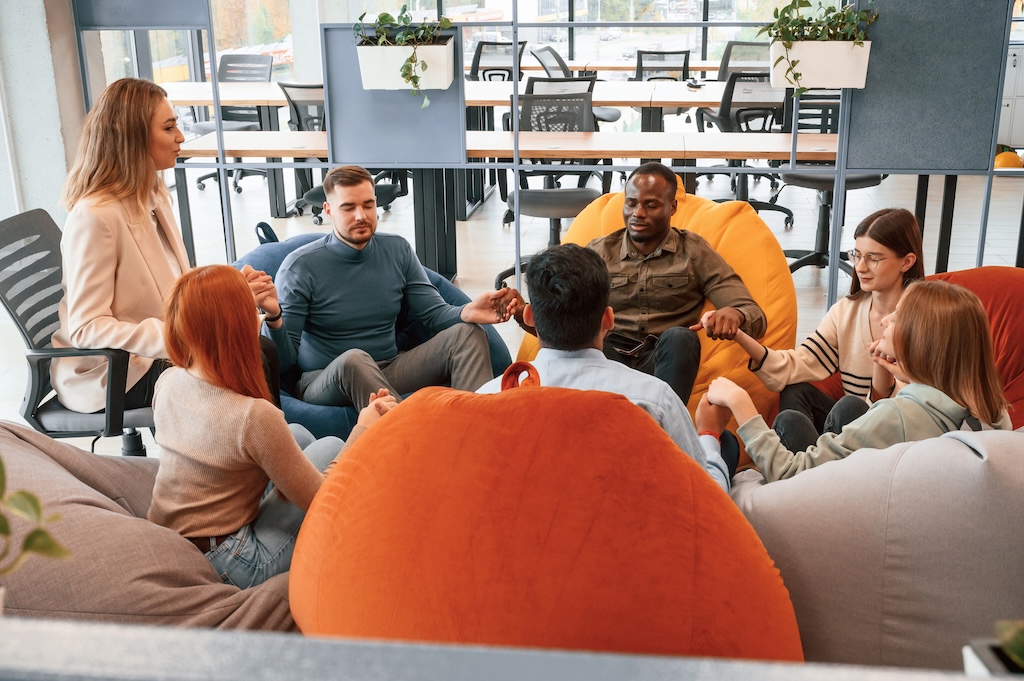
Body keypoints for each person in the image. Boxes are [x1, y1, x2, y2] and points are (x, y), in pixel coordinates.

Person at [148, 265, 397, 588]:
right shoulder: (253, 416)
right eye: (252, 313)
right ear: (238, 329)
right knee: (333, 446)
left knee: (298, 434)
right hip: (232, 561)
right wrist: (363, 429)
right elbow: (322, 498)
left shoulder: (168, 381)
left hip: (175, 536)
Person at [50, 77, 279, 414]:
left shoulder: (152, 195)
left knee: (262, 350)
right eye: (169, 128)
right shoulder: (95, 217)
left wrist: (229, 294)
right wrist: (180, 339)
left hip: (160, 351)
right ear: (134, 137)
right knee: (254, 357)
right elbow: (87, 327)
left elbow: (173, 288)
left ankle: (272, 439)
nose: (180, 137)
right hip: (118, 372)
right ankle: (258, 443)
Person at [478, 244, 734, 493]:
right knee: (727, 446)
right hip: (630, 515)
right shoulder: (656, 400)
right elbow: (709, 500)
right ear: (608, 319)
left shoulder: (489, 397)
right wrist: (709, 435)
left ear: (529, 317)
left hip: (526, 515)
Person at [699, 280, 1011, 483]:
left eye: (898, 317)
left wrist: (741, 405)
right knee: (844, 407)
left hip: (822, 501)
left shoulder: (898, 416)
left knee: (783, 425)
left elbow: (791, 474)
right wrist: (906, 372)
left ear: (921, 341)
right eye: (857, 255)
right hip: (885, 482)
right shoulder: (991, 412)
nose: (886, 320)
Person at [264, 165, 519, 412]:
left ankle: (474, 428)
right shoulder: (300, 266)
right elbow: (283, 361)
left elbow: (433, 313)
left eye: (368, 205)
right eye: (348, 208)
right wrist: (274, 317)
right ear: (328, 211)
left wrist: (467, 311)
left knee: (468, 334)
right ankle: (410, 432)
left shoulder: (397, 249)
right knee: (354, 359)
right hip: (325, 379)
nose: (361, 216)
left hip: (389, 367)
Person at [561, 161, 766, 405]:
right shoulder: (599, 252)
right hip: (609, 359)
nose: (638, 213)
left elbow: (754, 315)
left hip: (663, 361)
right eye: (631, 203)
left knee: (681, 337)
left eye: (651, 205)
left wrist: (736, 315)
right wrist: (527, 313)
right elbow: (562, 317)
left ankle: (665, 421)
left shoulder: (693, 251)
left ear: (672, 207)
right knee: (584, 338)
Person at [728, 207, 925, 452]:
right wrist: (739, 336)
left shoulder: (926, 318)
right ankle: (812, 466)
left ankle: (813, 468)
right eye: (857, 255)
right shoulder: (846, 311)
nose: (860, 267)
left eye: (873, 258)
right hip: (849, 430)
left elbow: (914, 405)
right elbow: (799, 363)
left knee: (851, 407)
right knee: (796, 391)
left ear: (907, 262)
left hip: (897, 439)